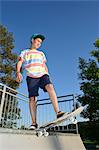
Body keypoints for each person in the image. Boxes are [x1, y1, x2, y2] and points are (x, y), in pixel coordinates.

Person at [16, 34, 65, 129]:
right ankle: (34, 123)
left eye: (40, 42)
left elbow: (44, 65)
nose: (39, 43)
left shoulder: (41, 53)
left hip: (43, 74)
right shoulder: (25, 52)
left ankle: (58, 112)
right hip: (31, 76)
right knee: (32, 98)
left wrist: (47, 74)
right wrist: (18, 72)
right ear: (32, 40)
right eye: (37, 41)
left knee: (50, 87)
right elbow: (20, 61)